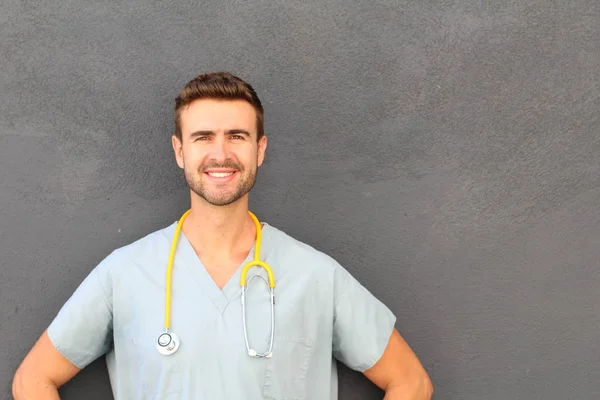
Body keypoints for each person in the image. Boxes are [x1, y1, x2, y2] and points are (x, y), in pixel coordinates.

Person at [12, 72, 433, 400]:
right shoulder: (123, 274)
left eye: (237, 136)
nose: (220, 154)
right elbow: (33, 379)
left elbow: (411, 382)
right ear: (180, 151)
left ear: (260, 149)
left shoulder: (316, 276)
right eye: (203, 137)